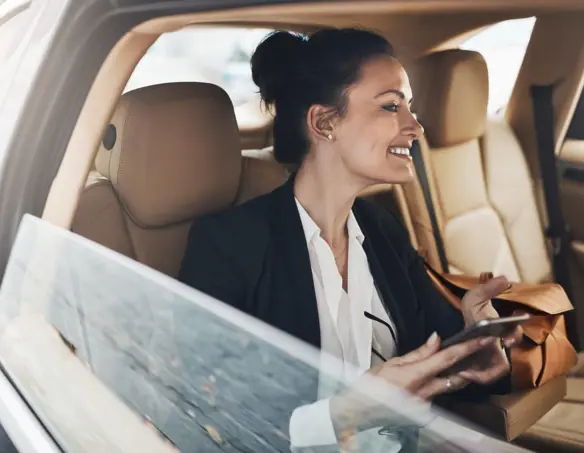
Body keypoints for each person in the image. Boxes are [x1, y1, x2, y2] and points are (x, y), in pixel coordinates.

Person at [179, 28, 522, 451]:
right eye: (391, 106)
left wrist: (478, 348)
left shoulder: (381, 231)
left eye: (409, 107)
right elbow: (202, 418)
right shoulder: (229, 246)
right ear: (325, 123)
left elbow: (436, 366)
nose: (414, 126)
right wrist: (341, 415)